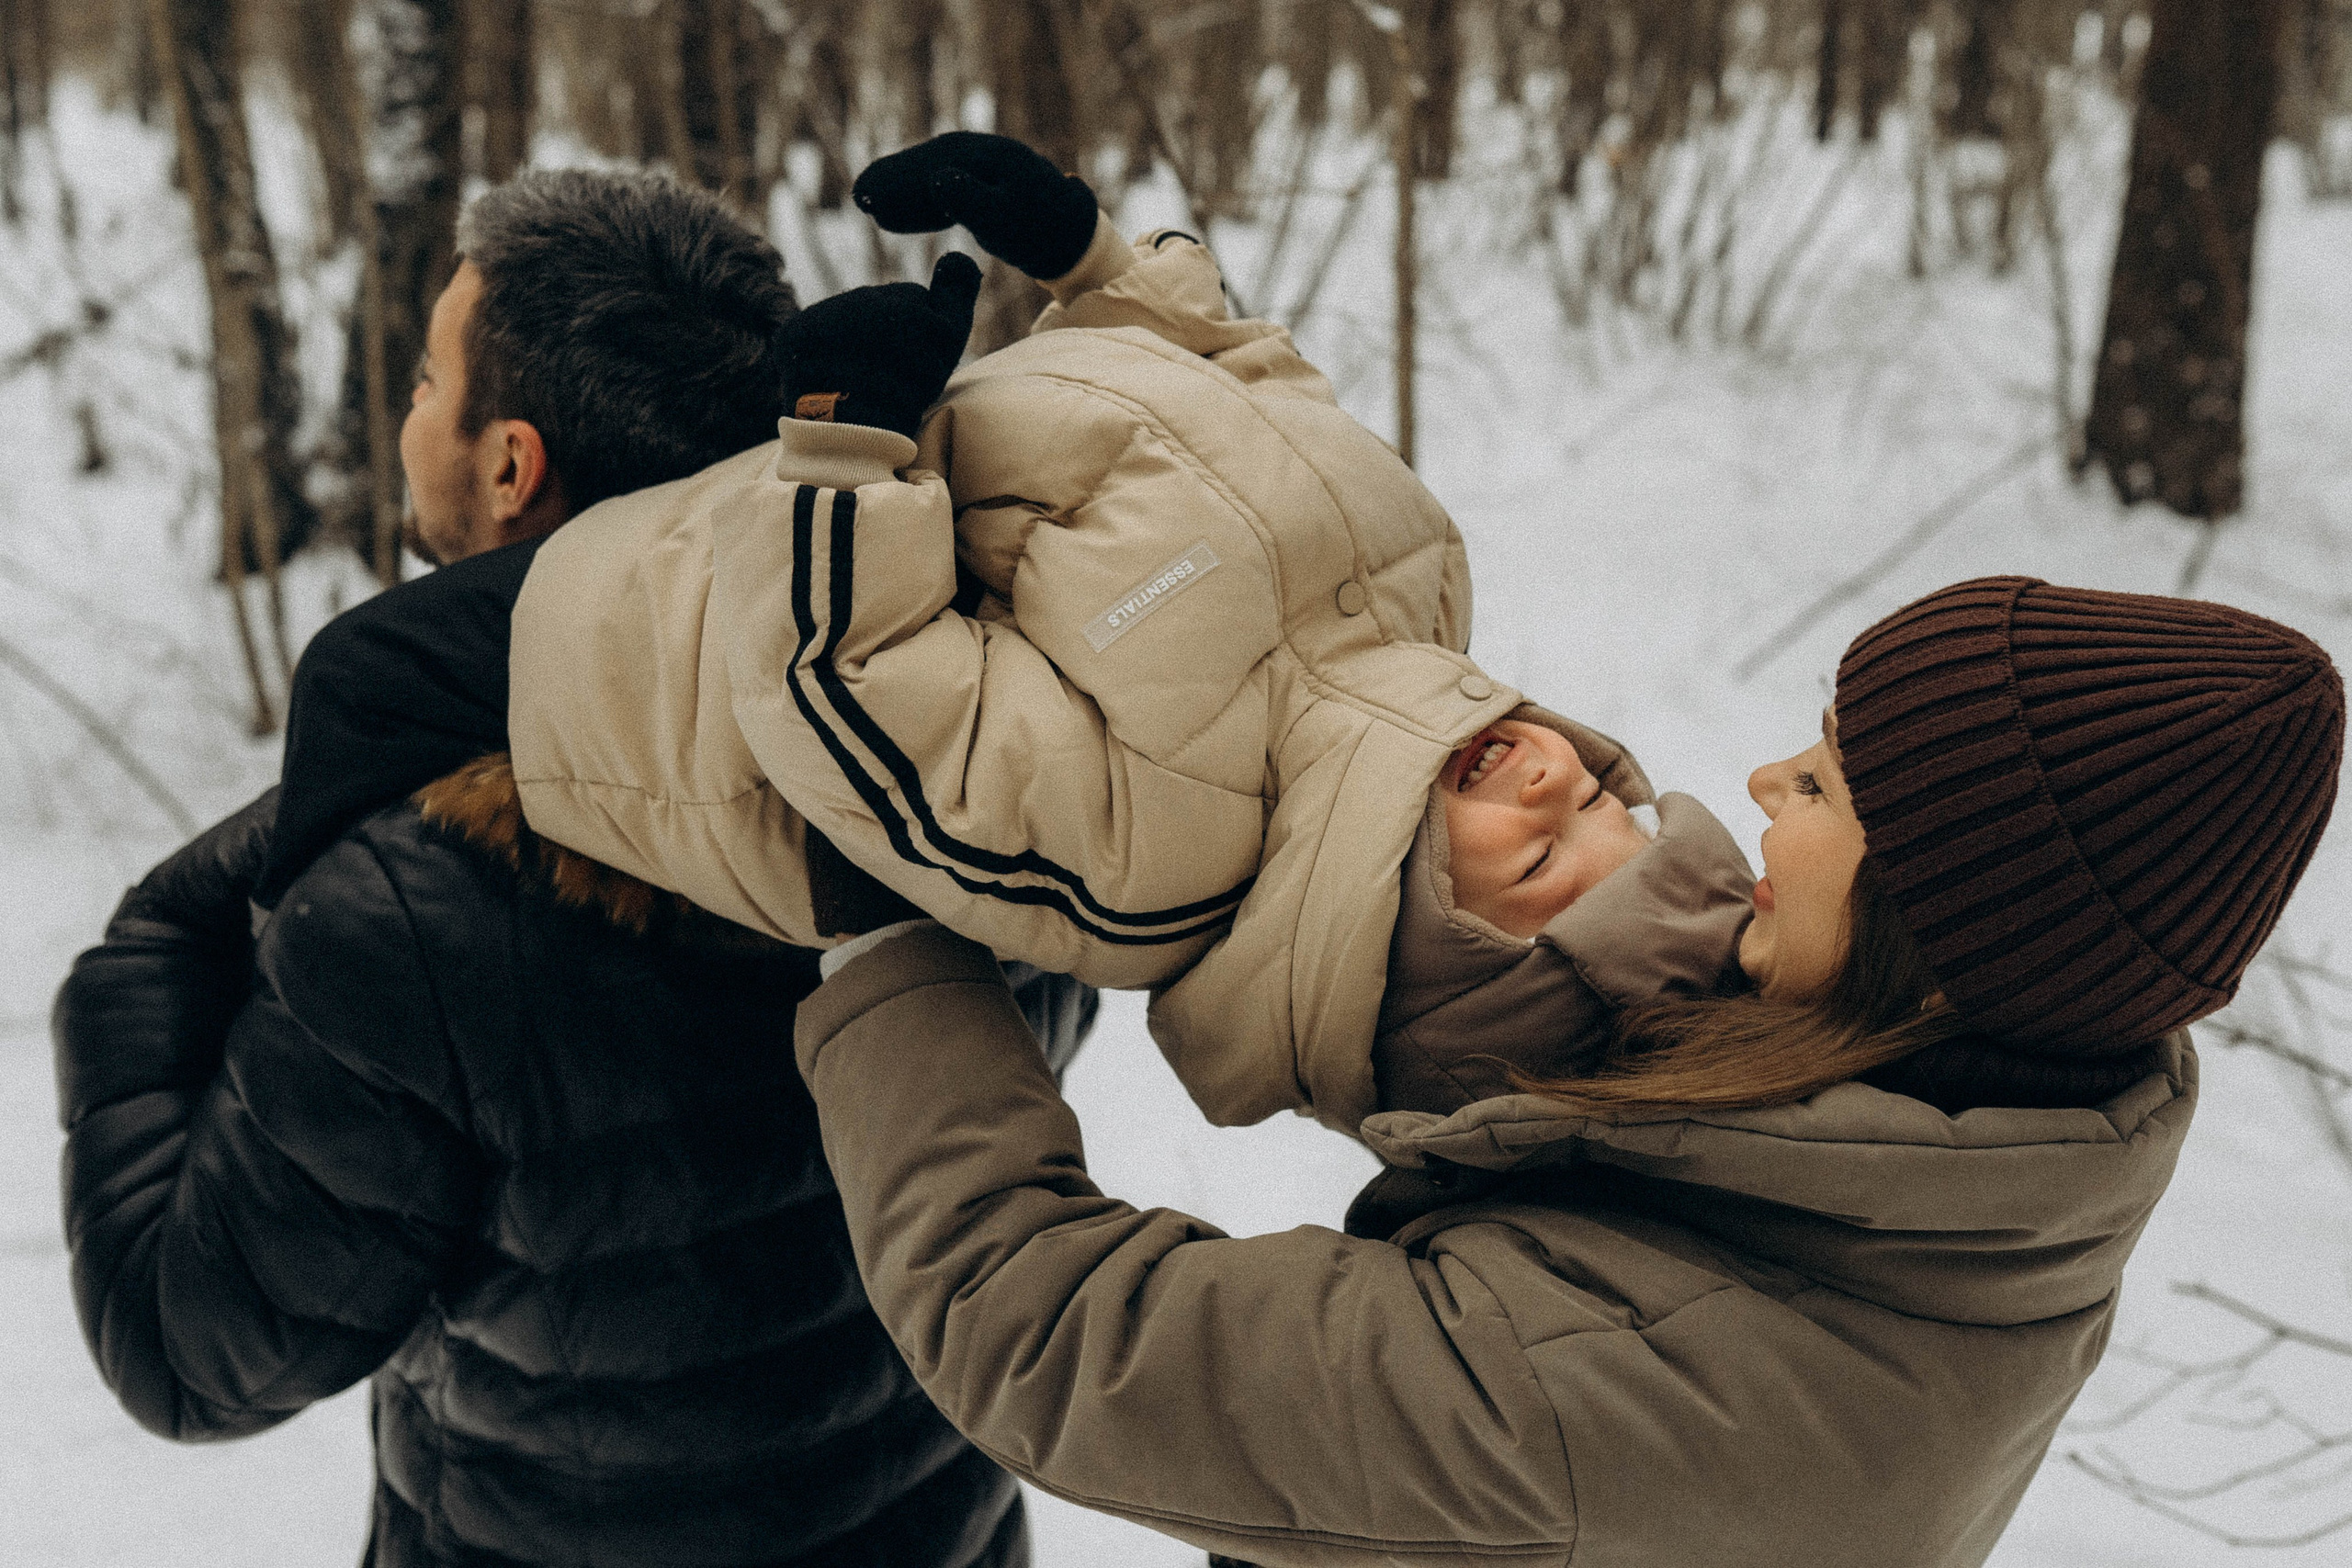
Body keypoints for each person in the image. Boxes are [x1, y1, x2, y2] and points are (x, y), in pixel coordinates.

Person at [786, 578, 2342, 1567]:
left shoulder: (1597, 1395)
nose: (1755, 786)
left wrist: (886, 960)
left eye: (1825, 780)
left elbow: (1052, 1334)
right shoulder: (2016, 1165)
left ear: (1928, 937)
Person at [52, 167, 1091, 1568]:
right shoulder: (953, 758)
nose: (406, 410)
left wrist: (138, 958)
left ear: (509, 465)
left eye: (428, 379)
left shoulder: (417, 908)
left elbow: (189, 1352)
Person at [504, 132, 1759, 1135]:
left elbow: (850, 692)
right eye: (1606, 796)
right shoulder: (1423, 599)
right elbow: (1259, 396)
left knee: (354, 700)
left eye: (1538, 864)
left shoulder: (1156, 862)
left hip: (579, 633)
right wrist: (1093, 263)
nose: (1553, 775)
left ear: (1404, 951)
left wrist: (845, 447)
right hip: (709, 501)